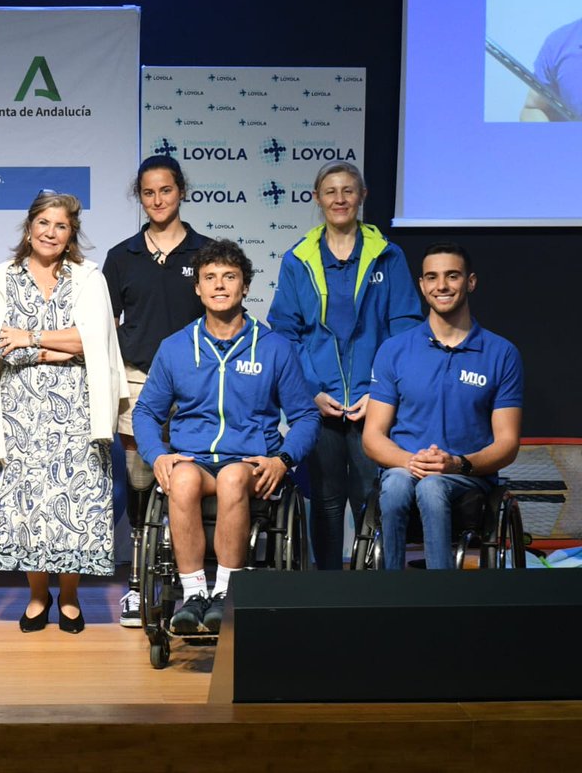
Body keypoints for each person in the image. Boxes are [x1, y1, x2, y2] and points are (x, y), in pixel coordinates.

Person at [133, 239, 319, 636]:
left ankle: (225, 594)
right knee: (180, 478)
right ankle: (195, 594)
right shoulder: (176, 347)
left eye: (229, 277)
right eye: (210, 278)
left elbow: (305, 416)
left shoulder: (274, 348)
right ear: (198, 288)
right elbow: (146, 412)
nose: (219, 285)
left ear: (245, 286)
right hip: (195, 461)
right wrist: (157, 455)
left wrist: (282, 460)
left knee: (234, 476)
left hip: (250, 464)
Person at [0, 191, 126, 634]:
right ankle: (38, 596)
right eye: (43, 223)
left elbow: (93, 340)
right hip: (18, 410)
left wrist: (32, 339)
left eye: (60, 226)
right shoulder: (3, 277)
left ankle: (71, 597)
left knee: (74, 500)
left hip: (76, 408)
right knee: (27, 504)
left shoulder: (87, 278)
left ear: (71, 233)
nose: (50, 232)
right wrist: (58, 345)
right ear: (29, 227)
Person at [267, 162, 421, 570]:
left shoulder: (389, 255)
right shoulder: (297, 259)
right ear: (317, 198)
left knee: (374, 496)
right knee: (327, 498)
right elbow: (284, 333)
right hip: (319, 403)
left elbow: (404, 329)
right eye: (330, 191)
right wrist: (310, 392)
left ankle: (378, 589)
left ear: (362, 197)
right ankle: (329, 587)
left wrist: (380, 391)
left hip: (377, 403)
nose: (339, 199)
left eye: (348, 190)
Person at [362, 243, 523, 570]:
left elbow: (507, 443)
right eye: (432, 277)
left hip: (468, 478)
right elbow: (373, 436)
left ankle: (441, 598)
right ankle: (388, 594)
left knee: (433, 486)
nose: (442, 286)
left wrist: (457, 464)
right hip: (404, 469)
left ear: (471, 282)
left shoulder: (501, 353)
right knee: (393, 484)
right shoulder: (394, 350)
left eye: (452, 276)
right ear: (422, 286)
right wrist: (412, 461)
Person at [102, 154, 210, 627]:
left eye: (165, 190)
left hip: (197, 383)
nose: (158, 199)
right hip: (137, 381)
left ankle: (194, 584)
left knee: (191, 479)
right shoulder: (121, 256)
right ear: (139, 197)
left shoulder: (206, 253)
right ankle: (138, 583)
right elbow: (102, 325)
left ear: (180, 191)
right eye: (148, 192)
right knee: (141, 484)